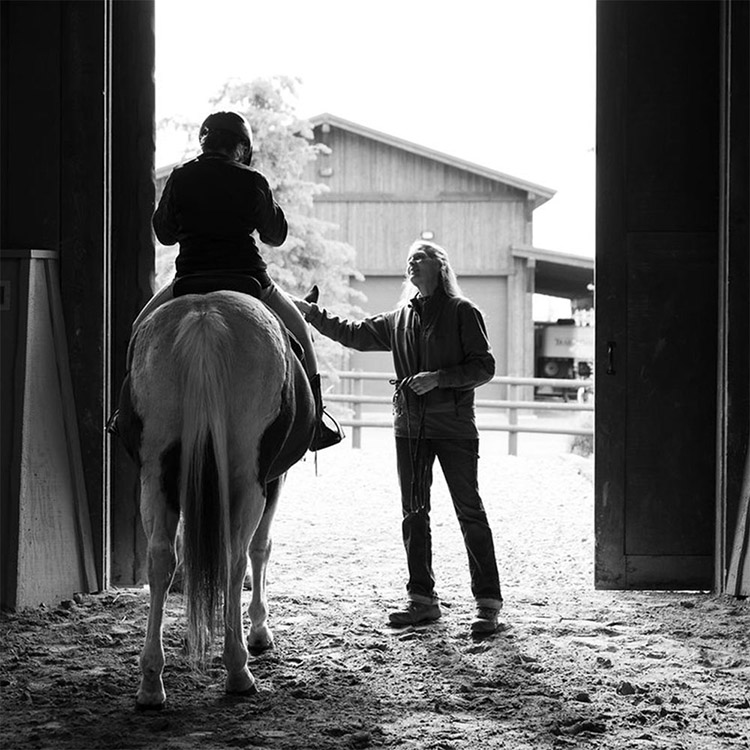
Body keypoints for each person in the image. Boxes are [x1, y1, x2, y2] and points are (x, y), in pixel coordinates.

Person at [293, 239, 504, 634]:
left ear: (440, 266)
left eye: (420, 257)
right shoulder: (399, 318)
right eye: (409, 258)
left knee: (469, 512)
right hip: (409, 429)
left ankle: (488, 603)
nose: (412, 263)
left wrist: (439, 379)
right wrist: (310, 314)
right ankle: (422, 600)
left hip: (455, 428)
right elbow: (353, 333)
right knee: (414, 514)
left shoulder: (463, 312)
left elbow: (485, 366)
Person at [115, 111, 342, 452]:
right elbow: (275, 236)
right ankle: (318, 423)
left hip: (190, 278)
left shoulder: (180, 177)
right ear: (241, 147)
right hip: (248, 279)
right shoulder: (252, 180)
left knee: (138, 331)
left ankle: (125, 413)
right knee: (301, 334)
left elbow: (163, 233)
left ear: (204, 142)